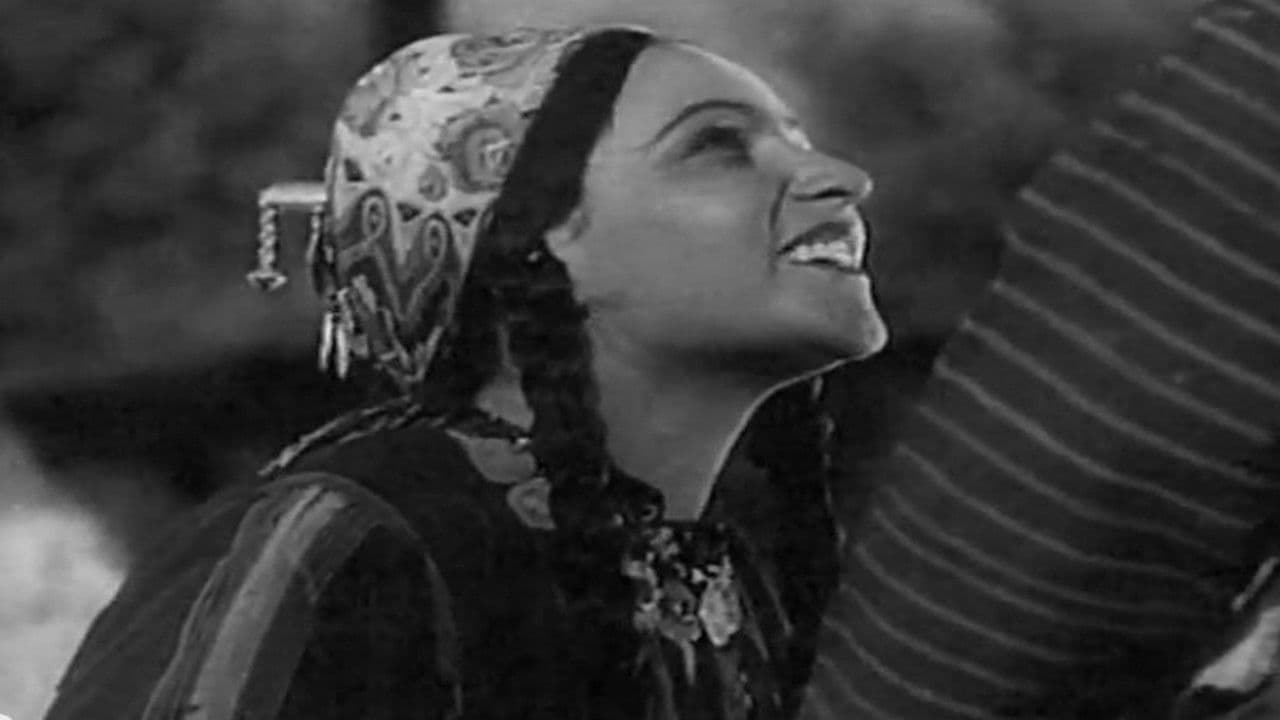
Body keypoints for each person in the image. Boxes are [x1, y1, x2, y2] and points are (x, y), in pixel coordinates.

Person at [45, 25, 887, 720]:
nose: (843, 180)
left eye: (799, 142)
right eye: (718, 146)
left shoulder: (719, 575)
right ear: (531, 236)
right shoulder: (345, 540)